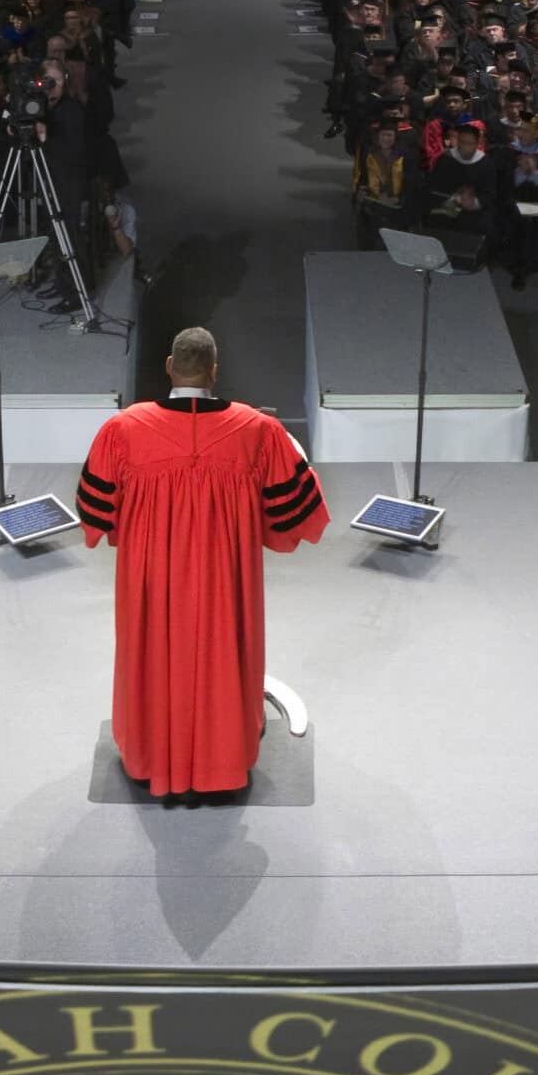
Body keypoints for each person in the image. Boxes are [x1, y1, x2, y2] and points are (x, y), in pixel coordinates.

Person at [77, 326, 329, 803]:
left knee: (150, 652)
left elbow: (94, 514)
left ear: (169, 368)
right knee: (223, 648)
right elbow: (296, 512)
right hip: (223, 581)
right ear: (214, 372)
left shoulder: (122, 430)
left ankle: (152, 753)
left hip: (152, 581)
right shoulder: (259, 431)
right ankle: (222, 758)